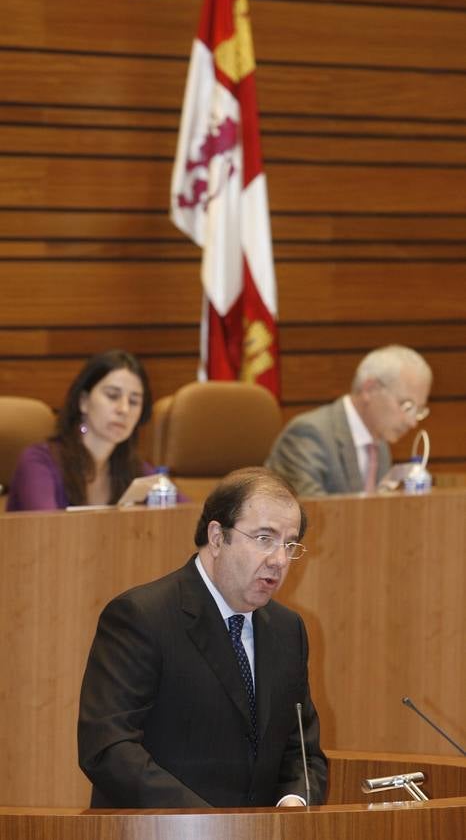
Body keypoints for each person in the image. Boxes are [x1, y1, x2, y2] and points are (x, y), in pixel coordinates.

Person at [78, 467, 328, 808]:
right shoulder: (142, 616)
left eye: (290, 544)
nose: (280, 560)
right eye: (264, 539)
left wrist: (294, 802)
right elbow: (108, 748)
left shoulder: (288, 630)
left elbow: (302, 749)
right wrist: (206, 823)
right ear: (216, 537)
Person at [266, 345, 432, 497]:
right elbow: (310, 514)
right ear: (370, 389)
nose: (412, 422)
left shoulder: (380, 445)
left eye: (418, 410)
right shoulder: (308, 434)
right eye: (407, 406)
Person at [6, 349, 153, 510]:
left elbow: (184, 515)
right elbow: (47, 531)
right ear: (83, 401)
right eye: (112, 396)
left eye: (133, 401)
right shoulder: (39, 463)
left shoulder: (136, 469)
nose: (124, 409)